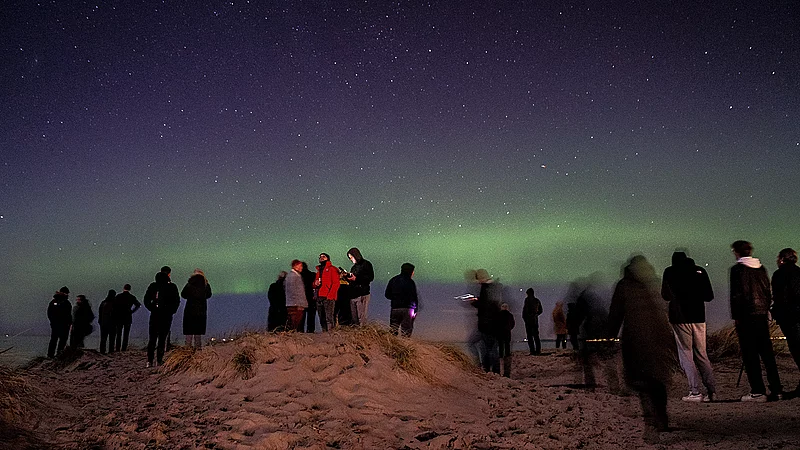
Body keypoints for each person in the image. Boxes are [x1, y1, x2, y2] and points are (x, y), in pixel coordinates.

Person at [608, 255, 677, 443]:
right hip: (660, 336)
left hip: (636, 338)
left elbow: (616, 313)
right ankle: (661, 417)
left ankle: (651, 422)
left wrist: (609, 337)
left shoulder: (624, 285)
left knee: (641, 380)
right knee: (658, 378)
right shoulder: (654, 281)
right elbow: (667, 304)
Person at [730, 240, 783, 401]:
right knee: (767, 354)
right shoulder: (761, 268)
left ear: (737, 252)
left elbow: (736, 295)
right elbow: (767, 291)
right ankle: (777, 390)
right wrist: (766, 309)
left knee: (750, 355)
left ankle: (758, 391)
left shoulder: (737, 270)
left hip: (746, 317)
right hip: (761, 315)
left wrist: (736, 317)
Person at [661, 251, 717, 402]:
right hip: (699, 317)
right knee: (702, 354)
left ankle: (695, 391)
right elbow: (709, 296)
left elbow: (665, 295)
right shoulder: (700, 271)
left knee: (686, 354)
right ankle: (711, 391)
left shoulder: (670, 272)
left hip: (680, 318)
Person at [772, 248, 800, 394]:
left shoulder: (779, 274)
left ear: (782, 259)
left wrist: (775, 310)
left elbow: (779, 297)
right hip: (796, 315)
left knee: (796, 348)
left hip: (789, 317)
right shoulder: (799, 272)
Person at [143, 270, 181, 367]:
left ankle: (149, 360)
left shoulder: (153, 286)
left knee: (152, 338)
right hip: (166, 316)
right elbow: (176, 300)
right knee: (162, 339)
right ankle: (159, 360)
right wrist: (172, 310)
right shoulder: (172, 287)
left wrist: (151, 308)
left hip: (155, 315)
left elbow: (146, 299)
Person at [470, 269, 502, 374]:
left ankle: (486, 368)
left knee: (486, 347)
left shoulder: (486, 288)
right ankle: (490, 369)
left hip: (487, 323)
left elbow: (486, 305)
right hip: (492, 323)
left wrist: (476, 303)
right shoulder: (493, 288)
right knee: (489, 348)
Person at [385, 263, 419, 337]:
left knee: (393, 330)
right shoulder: (410, 282)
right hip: (408, 309)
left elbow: (387, 295)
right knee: (406, 332)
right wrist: (416, 309)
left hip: (395, 308)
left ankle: (392, 346)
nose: (413, 273)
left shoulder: (393, 280)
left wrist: (395, 298)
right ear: (410, 271)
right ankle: (405, 347)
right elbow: (414, 296)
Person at [181, 269, 212, 348]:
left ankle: (187, 350)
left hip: (189, 310)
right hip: (201, 311)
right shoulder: (205, 285)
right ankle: (198, 350)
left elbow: (183, 294)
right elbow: (209, 295)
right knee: (198, 332)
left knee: (189, 332)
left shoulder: (189, 284)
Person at [346, 247, 374, 326]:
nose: (351, 259)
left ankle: (362, 333)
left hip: (362, 293)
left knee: (361, 316)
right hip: (353, 294)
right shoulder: (354, 267)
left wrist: (357, 278)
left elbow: (370, 277)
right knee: (354, 317)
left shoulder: (366, 264)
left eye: (351, 257)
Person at [315, 253, 340, 331]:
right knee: (321, 318)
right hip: (319, 297)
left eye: (323, 256)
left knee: (329, 318)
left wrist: (330, 296)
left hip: (328, 297)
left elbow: (336, 283)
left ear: (328, 258)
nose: (321, 258)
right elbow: (314, 284)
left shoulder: (332, 269)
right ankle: (324, 334)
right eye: (320, 257)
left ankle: (331, 335)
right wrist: (315, 284)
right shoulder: (319, 270)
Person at [112, 284, 140, 351]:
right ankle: (124, 348)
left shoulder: (119, 296)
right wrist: (132, 311)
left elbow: (114, 306)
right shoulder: (132, 297)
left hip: (119, 317)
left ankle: (118, 348)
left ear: (123, 288)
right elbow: (138, 305)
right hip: (128, 317)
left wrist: (116, 312)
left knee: (118, 333)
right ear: (130, 289)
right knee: (126, 334)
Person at [47, 286, 72, 358]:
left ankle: (59, 354)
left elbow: (69, 314)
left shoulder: (67, 303)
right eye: (66, 293)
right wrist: (53, 322)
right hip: (57, 324)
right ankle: (51, 355)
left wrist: (69, 323)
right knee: (55, 339)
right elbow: (50, 313)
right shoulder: (54, 302)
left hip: (64, 325)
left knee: (62, 340)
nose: (67, 294)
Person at [284, 260, 308, 330]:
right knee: (294, 322)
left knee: (295, 322)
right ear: (295, 266)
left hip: (295, 303)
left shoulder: (294, 276)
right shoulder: (293, 276)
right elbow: (292, 291)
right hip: (295, 304)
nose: (301, 268)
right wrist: (298, 303)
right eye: (300, 266)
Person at [522, 288, 543, 355]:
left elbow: (525, 310)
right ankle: (538, 350)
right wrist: (536, 315)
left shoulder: (527, 300)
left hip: (528, 321)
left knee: (530, 336)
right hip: (534, 321)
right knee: (536, 336)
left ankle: (532, 351)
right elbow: (541, 310)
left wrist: (525, 317)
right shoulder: (537, 300)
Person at [498, 303, 515, 377]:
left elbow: (496, 323)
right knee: (507, 344)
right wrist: (509, 328)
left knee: (501, 344)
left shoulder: (498, 315)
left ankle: (501, 354)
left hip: (500, 332)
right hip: (507, 332)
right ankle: (507, 354)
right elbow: (513, 323)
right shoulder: (510, 315)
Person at [98, 290, 116, 354]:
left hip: (103, 323)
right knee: (112, 339)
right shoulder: (115, 303)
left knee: (103, 338)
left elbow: (100, 313)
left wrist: (100, 321)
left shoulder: (103, 303)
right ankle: (111, 351)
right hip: (112, 323)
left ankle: (102, 351)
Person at [300, 262, 316, 333]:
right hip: (311, 297)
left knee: (302, 316)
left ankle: (300, 330)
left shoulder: (299, 276)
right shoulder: (312, 275)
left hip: (302, 297)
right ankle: (310, 330)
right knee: (311, 315)